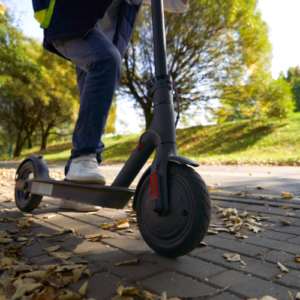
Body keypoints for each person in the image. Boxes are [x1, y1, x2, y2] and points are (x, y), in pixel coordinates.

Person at [32, 0, 189, 211]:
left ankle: (73, 188)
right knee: (107, 61)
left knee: (93, 99)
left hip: (100, 37)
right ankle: (83, 158)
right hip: (70, 21)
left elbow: (173, 3)